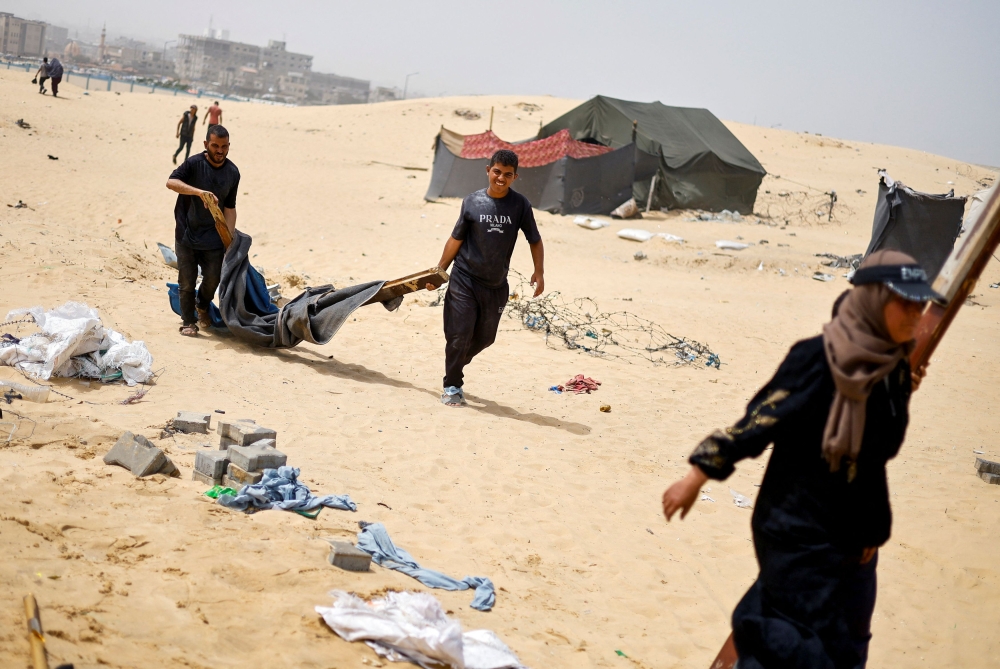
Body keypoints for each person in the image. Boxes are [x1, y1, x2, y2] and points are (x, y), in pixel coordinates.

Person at [661, 250, 934, 669]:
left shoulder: (894, 369)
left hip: (856, 541)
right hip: (798, 531)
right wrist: (694, 478)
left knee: (846, 647)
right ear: (873, 299)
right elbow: (755, 425)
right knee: (792, 647)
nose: (916, 313)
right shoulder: (816, 359)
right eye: (905, 302)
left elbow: (878, 453)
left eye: (920, 303)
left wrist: (869, 528)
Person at [426, 149, 545, 406]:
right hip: (464, 279)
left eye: (507, 175)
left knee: (485, 338)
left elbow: (534, 239)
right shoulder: (472, 202)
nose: (501, 178)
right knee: (459, 335)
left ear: (515, 177)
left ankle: (456, 363)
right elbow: (456, 238)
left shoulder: (520, 205)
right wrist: (439, 271)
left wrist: (539, 271)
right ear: (488, 170)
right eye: (497, 172)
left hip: (495, 285)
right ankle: (452, 385)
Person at [165, 125, 239, 337]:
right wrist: (199, 193)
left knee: (213, 278)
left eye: (224, 146)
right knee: (187, 281)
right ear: (206, 144)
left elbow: (230, 208)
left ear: (229, 146)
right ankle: (188, 322)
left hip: (213, 237)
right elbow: (171, 182)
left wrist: (229, 240)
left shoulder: (233, 172)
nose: (220, 151)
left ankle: (203, 306)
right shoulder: (194, 164)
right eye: (215, 146)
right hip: (186, 233)